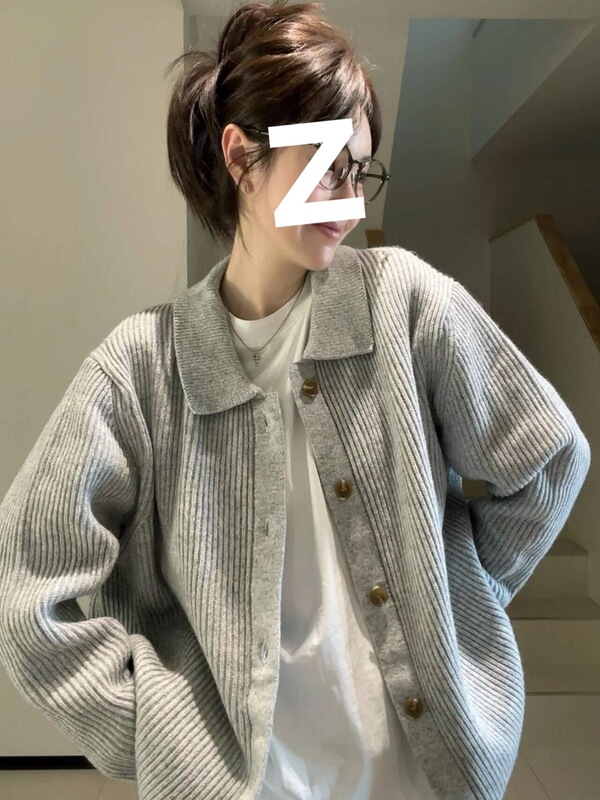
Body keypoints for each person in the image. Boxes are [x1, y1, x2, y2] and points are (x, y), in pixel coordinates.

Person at [0, 2, 591, 800]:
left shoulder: (403, 302)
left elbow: (548, 457)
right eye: (329, 167)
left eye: (361, 170)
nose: (353, 202)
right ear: (241, 156)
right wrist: (153, 724)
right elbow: (26, 582)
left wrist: (455, 602)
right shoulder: (142, 367)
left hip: (416, 777)